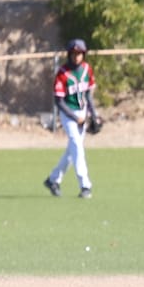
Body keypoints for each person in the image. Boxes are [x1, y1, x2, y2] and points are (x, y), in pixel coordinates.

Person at [43, 39, 99, 199]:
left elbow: (88, 94)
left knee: (72, 150)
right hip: (68, 113)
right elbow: (59, 101)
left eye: (80, 53)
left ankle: (53, 179)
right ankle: (85, 185)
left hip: (82, 111)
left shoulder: (87, 69)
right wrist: (75, 118)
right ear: (69, 54)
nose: (76, 57)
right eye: (74, 53)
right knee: (77, 146)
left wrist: (93, 114)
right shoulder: (62, 73)